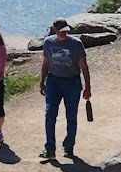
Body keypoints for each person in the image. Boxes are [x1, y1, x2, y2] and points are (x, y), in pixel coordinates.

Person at [39, 18, 91, 161]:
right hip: (54, 82)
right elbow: (45, 63)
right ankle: (50, 148)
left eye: (66, 31)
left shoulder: (76, 44)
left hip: (72, 83)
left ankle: (69, 147)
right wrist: (42, 81)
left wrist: (87, 87)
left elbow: (84, 66)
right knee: (50, 114)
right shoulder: (49, 43)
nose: (64, 33)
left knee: (71, 116)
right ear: (54, 30)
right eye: (61, 31)